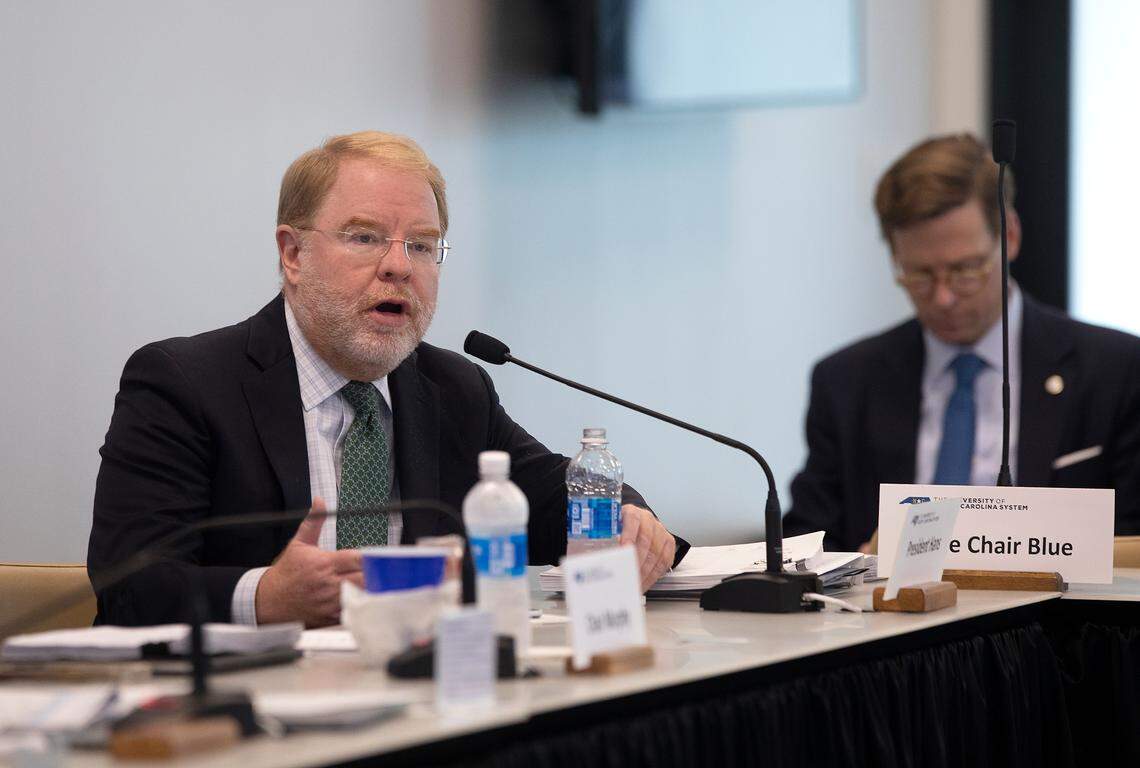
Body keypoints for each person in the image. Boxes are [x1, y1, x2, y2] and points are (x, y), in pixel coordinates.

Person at [89, 131, 687, 627]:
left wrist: (630, 519)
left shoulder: (454, 389)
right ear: (293, 254)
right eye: (365, 237)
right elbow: (131, 587)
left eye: (423, 246)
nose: (399, 265)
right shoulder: (184, 384)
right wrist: (266, 598)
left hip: (426, 693)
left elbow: (557, 500)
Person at [783, 133, 1140, 552]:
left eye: (964, 271)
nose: (943, 297)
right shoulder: (846, 381)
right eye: (919, 275)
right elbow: (803, 548)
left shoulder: (1115, 370)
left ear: (1009, 236)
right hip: (892, 615)